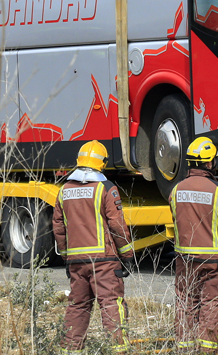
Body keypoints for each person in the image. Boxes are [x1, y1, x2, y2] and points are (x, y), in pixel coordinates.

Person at [52, 140, 133, 355]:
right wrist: (127, 254)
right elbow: (116, 225)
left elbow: (58, 227)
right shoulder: (106, 188)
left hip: (76, 262)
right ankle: (119, 350)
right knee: (110, 305)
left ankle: (70, 350)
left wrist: (66, 256)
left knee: (77, 307)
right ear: (102, 163)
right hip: (104, 261)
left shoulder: (64, 190)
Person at [170, 137, 218, 352]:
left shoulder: (176, 190)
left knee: (185, 302)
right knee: (211, 303)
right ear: (209, 163)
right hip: (214, 262)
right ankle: (207, 349)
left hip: (185, 259)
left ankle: (185, 347)